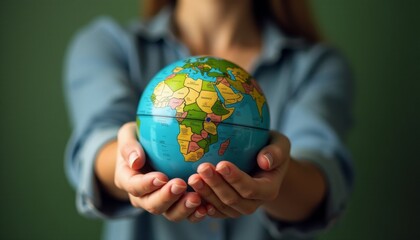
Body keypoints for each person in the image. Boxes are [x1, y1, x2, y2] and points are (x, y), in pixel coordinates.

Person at [63, 0, 354, 239]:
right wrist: (125, 163)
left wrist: (278, 175)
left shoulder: (317, 65)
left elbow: (321, 176)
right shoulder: (107, 45)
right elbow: (97, 140)